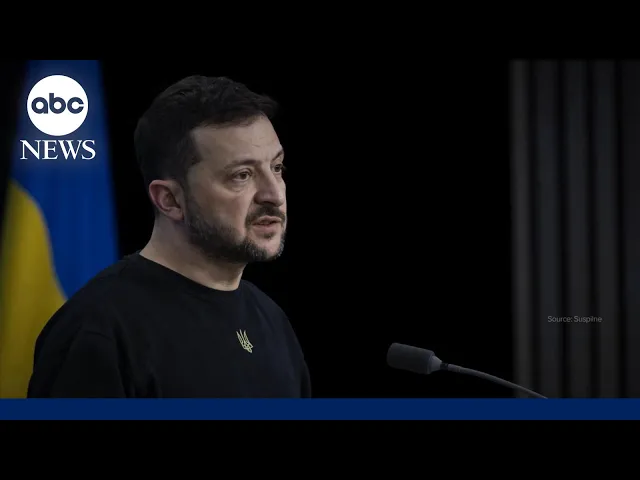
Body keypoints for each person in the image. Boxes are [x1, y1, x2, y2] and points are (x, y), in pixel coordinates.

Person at [27, 75, 311, 398]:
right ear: (170, 200)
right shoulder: (98, 330)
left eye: (277, 168)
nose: (274, 194)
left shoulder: (273, 322)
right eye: (242, 175)